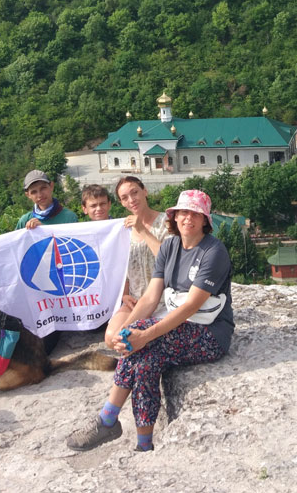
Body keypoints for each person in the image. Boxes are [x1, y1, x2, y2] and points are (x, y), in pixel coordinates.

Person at [67, 189, 234, 453]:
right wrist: (125, 331)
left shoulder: (213, 251)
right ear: (174, 216)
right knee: (146, 360)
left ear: (205, 220)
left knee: (143, 341)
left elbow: (191, 306)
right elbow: (151, 296)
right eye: (183, 212)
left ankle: (107, 420)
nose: (188, 218)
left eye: (195, 214)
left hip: (210, 334)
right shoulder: (169, 246)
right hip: (179, 328)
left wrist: (144, 334)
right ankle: (143, 443)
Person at [103, 176, 169, 347]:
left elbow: (169, 260)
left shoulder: (166, 222)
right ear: (121, 203)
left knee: (128, 339)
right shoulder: (123, 229)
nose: (131, 200)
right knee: (112, 339)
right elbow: (123, 268)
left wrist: (143, 230)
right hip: (135, 300)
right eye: (125, 197)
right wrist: (125, 294)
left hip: (163, 299)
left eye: (135, 193)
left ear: (144, 191)